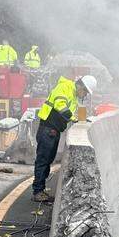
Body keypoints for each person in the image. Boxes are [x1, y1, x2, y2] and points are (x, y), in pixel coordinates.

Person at [33, 74, 97, 202]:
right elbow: (60, 104)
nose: (84, 95)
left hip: (53, 130)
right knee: (43, 159)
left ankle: (41, 189)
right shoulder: (65, 87)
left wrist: (83, 119)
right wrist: (74, 118)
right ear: (81, 87)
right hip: (48, 128)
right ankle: (37, 191)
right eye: (85, 92)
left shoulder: (74, 94)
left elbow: (78, 109)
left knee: (48, 159)